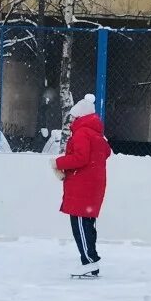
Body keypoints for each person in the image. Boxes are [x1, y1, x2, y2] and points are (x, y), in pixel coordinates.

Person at [53, 94, 111, 277]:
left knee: (79, 225)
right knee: (87, 225)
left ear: (79, 117)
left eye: (73, 117)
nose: (72, 120)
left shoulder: (82, 133)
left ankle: (89, 261)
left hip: (82, 186)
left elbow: (80, 158)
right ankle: (90, 261)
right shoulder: (96, 134)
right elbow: (106, 152)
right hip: (92, 186)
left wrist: (58, 163)